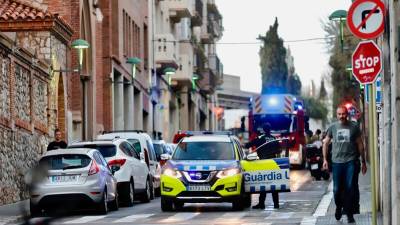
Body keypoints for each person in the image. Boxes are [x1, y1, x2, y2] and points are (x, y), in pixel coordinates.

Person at [322, 106, 367, 223]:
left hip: (351, 161)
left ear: (347, 114)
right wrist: (325, 160)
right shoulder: (332, 127)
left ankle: (349, 213)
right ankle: (338, 206)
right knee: (336, 190)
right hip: (337, 163)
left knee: (350, 187)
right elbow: (325, 143)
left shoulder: (354, 127)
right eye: (339, 114)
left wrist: (363, 161)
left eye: (343, 114)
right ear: (337, 115)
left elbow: (360, 144)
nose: (341, 116)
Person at [244, 123, 281, 209]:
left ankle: (261, 203)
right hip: (273, 163)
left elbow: (250, 144)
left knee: (264, 183)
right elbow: (279, 150)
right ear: (270, 129)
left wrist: (244, 145)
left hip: (263, 163)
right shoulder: (274, 138)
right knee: (273, 183)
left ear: (263, 130)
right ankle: (276, 204)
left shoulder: (261, 138)